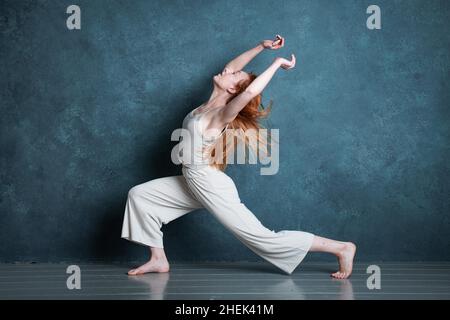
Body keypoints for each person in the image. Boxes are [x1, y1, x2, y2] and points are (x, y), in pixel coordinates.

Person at [121, 35, 356, 279]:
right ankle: (158, 259)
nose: (230, 71)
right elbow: (233, 67)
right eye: (233, 72)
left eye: (234, 76)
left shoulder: (222, 114)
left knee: (263, 238)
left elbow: (250, 90)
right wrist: (261, 47)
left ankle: (341, 247)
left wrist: (276, 63)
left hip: (209, 184)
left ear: (232, 89)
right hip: (191, 179)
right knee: (141, 196)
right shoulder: (207, 105)